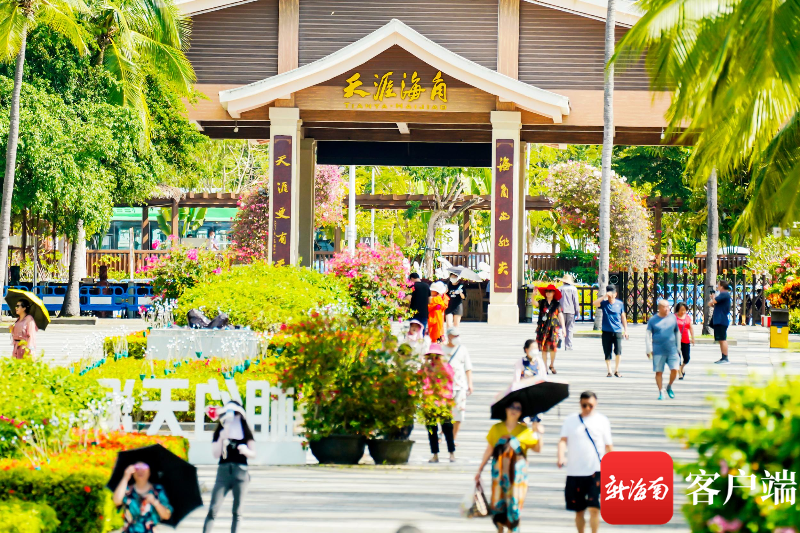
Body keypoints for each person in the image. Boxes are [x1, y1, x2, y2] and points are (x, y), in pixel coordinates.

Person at [475, 401, 542, 533]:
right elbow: (489, 450)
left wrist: (539, 434)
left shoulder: (525, 431)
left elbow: (537, 449)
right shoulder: (496, 429)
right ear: (505, 409)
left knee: (514, 509)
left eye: (518, 408)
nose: (514, 410)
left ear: (521, 413)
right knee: (498, 508)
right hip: (499, 476)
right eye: (511, 407)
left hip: (518, 478)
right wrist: (479, 470)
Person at [558, 392, 613, 533]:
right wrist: (561, 456)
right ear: (580, 404)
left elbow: (608, 446)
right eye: (584, 405)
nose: (587, 408)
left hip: (596, 470)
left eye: (591, 405)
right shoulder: (570, 421)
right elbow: (563, 440)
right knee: (579, 510)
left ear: (596, 404)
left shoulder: (602, 421)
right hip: (575, 472)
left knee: (594, 507)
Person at [203, 401, 256, 533]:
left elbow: (253, 453)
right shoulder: (220, 431)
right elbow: (216, 454)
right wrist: (221, 439)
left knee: (237, 512)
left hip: (241, 473)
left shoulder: (245, 431)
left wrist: (246, 451)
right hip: (223, 472)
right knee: (213, 509)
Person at [113, 461, 173, 532]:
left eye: (144, 467)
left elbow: (166, 515)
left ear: (150, 471)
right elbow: (116, 501)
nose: (140, 470)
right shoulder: (127, 490)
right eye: (137, 467)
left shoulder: (157, 490)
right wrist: (126, 477)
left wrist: (155, 502)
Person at [423, 344, 456, 463]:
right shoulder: (427, 368)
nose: (434, 359)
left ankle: (451, 453)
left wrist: (441, 363)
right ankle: (435, 454)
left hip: (444, 402)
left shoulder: (446, 367)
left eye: (436, 356)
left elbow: (451, 377)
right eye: (432, 356)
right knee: (432, 429)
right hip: (430, 401)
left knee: (447, 427)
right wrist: (426, 364)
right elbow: (422, 380)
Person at [646, 300, 682, 400]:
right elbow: (648, 335)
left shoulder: (672, 317)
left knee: (675, 369)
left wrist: (678, 347)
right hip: (658, 350)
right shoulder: (653, 320)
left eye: (668, 307)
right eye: (664, 307)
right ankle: (661, 391)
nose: (667, 309)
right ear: (660, 308)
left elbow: (677, 332)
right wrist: (648, 349)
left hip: (672, 350)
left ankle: (669, 386)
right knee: (659, 372)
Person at [443, 327, 473, 442]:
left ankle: (453, 438)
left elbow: (468, 368)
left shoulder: (462, 349)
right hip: (445, 387)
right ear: (449, 336)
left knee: (459, 414)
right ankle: (443, 433)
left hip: (460, 385)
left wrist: (470, 383)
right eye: (454, 336)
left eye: (458, 336)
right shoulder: (442, 349)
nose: (457, 338)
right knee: (445, 414)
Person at [593, 285, 628, 378]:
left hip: (617, 331)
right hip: (606, 331)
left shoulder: (619, 304)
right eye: (609, 294)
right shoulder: (604, 303)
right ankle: (609, 371)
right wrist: (604, 296)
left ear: (615, 294)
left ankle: (617, 370)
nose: (611, 296)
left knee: (618, 351)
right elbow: (594, 303)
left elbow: (623, 317)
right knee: (607, 352)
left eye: (612, 294)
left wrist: (626, 330)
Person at [536, 284, 565, 374]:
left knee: (553, 348)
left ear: (553, 293)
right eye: (547, 291)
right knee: (544, 348)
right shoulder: (542, 302)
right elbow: (534, 303)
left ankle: (551, 364)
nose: (548, 293)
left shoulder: (557, 304)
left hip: (553, 329)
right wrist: (533, 296)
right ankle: (544, 367)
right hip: (543, 328)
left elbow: (560, 315)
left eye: (550, 291)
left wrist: (563, 328)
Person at [709, 279, 732, 364]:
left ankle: (725, 358)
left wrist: (713, 298)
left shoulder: (724, 294)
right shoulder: (723, 295)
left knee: (722, 339)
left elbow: (713, 301)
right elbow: (714, 304)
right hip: (719, 320)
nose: (717, 287)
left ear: (722, 286)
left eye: (718, 285)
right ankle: (723, 357)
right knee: (720, 339)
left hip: (721, 320)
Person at [674, 302, 695, 379]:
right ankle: (679, 373)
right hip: (675, 340)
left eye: (684, 310)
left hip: (685, 340)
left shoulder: (687, 317)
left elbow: (690, 328)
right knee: (677, 357)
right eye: (681, 310)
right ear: (678, 310)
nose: (683, 311)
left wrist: (692, 337)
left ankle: (682, 367)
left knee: (687, 358)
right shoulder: (674, 317)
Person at [559, 274, 580, 350]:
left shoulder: (559, 289)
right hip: (571, 311)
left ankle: (559, 338)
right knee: (569, 329)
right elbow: (575, 301)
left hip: (561, 311)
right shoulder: (574, 289)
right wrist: (577, 312)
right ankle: (568, 346)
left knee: (560, 327)